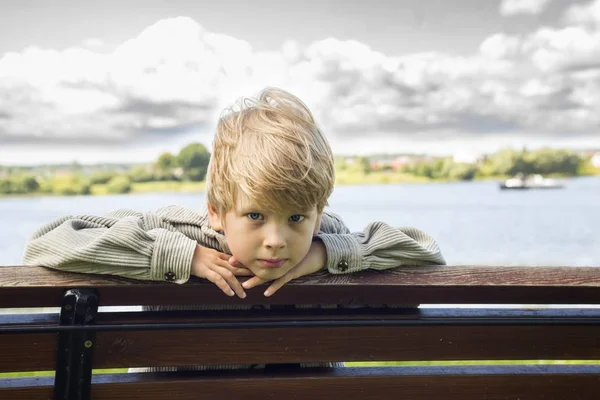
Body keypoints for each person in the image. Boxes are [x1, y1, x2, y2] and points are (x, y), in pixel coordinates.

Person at [23, 87, 445, 371]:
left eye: (296, 218)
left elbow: (426, 252)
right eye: (256, 216)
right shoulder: (178, 234)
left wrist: (325, 252)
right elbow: (49, 239)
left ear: (319, 214)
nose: (277, 240)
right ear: (215, 213)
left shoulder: (326, 237)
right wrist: (178, 256)